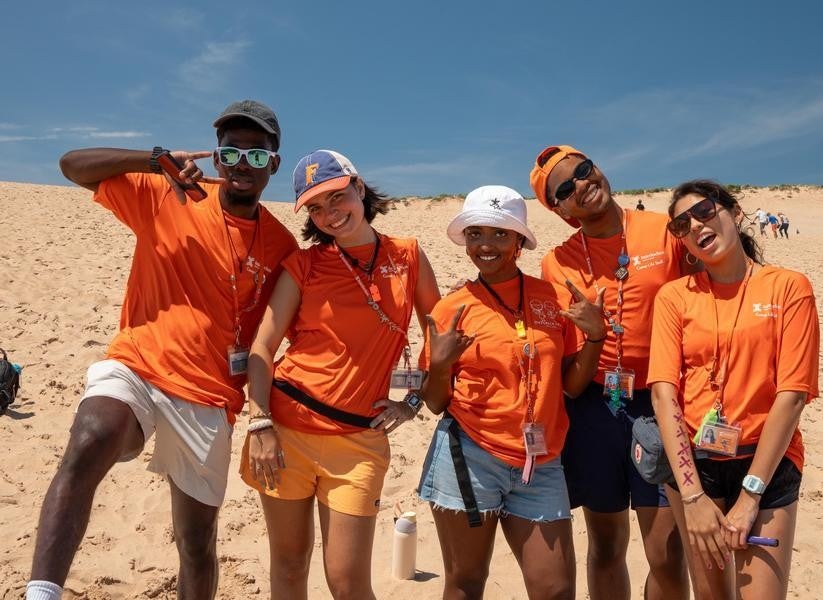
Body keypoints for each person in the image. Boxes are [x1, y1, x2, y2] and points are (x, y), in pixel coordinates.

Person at [27, 100, 297, 600]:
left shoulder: (282, 246)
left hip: (211, 395)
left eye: (257, 156)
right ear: (216, 158)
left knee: (196, 542)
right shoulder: (166, 193)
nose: (242, 163)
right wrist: (150, 160)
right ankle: (41, 594)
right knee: (92, 434)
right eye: (231, 151)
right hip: (140, 362)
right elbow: (71, 165)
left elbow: (285, 333)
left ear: (273, 166)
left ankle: (131, 440)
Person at [239, 149, 441, 599]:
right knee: (289, 566)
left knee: (348, 581)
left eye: (336, 198)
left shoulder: (407, 255)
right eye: (315, 206)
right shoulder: (304, 266)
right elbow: (263, 348)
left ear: (359, 188)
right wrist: (260, 422)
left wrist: (412, 401)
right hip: (285, 431)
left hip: (358, 441)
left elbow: (436, 331)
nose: (329, 214)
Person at [417, 185, 607, 599]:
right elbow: (435, 403)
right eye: (476, 233)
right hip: (469, 455)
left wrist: (595, 339)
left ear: (519, 240)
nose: (486, 245)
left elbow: (571, 386)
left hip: (541, 462)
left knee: (556, 589)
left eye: (501, 234)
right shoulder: (451, 308)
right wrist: (440, 364)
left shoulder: (551, 297)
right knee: (466, 582)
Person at [529, 145, 691, 600]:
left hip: (663, 402)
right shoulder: (557, 263)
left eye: (583, 170)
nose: (581, 184)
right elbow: (571, 380)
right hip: (595, 410)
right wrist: (596, 338)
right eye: (565, 188)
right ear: (559, 211)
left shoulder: (665, 231)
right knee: (605, 545)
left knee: (667, 551)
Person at [648, 180, 819, 600]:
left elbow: (793, 393)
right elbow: (664, 394)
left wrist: (750, 496)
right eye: (681, 225)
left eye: (705, 211)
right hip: (696, 467)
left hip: (767, 460)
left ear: (735, 212)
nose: (695, 226)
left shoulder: (788, 286)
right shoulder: (674, 297)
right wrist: (691, 497)